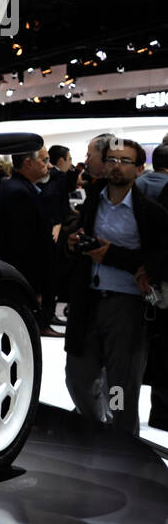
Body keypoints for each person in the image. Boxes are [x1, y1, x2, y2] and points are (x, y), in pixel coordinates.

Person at [63, 138, 168, 435]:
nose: (117, 166)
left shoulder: (151, 213)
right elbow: (76, 240)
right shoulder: (93, 200)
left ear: (139, 169)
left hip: (127, 306)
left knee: (120, 385)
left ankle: (121, 438)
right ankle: (97, 425)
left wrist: (114, 255)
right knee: (78, 376)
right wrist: (73, 244)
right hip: (88, 300)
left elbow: (159, 258)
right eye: (112, 159)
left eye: (125, 161)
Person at [0, 147, 53, 328]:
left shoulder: (17, 187)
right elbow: (24, 246)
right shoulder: (18, 192)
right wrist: (34, 288)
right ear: (28, 163)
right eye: (44, 160)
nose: (49, 165)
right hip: (21, 280)